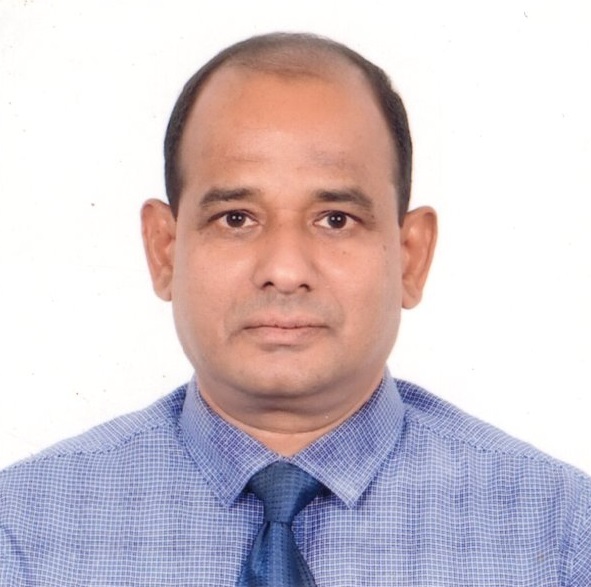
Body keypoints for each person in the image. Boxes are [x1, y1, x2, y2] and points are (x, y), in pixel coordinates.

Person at [1, 32, 589, 587]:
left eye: (335, 219)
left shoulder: (560, 534)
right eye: (236, 218)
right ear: (164, 250)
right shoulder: (22, 532)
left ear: (411, 257)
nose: (284, 270)